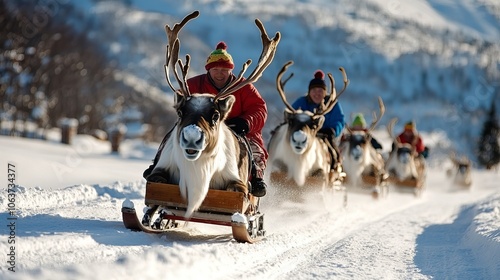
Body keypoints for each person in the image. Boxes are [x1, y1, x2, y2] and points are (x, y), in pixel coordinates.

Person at [143, 41, 268, 197]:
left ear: (231, 71)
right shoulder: (193, 85)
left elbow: (259, 109)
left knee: (253, 150)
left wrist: (245, 123)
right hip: (201, 129)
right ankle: (159, 167)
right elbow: (182, 102)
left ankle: (255, 177)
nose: (220, 74)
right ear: (209, 70)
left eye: (224, 70)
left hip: (238, 129)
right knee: (172, 136)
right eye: (215, 69)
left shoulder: (244, 87)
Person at [292, 70, 345, 170]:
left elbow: (339, 120)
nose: (317, 94)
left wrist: (333, 130)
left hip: (325, 136)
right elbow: (291, 115)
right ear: (309, 92)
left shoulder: (332, 104)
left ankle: (333, 169)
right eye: (314, 90)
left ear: (325, 92)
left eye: (320, 91)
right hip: (304, 136)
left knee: (333, 154)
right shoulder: (302, 102)